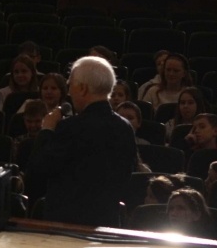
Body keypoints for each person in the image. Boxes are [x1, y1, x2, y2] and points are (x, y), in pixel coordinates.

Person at [23, 56, 139, 227]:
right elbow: (127, 174)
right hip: (106, 222)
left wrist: (47, 130)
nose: (69, 93)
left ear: (83, 88)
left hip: (67, 225)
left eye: (70, 86)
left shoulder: (70, 127)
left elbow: (37, 171)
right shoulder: (125, 127)